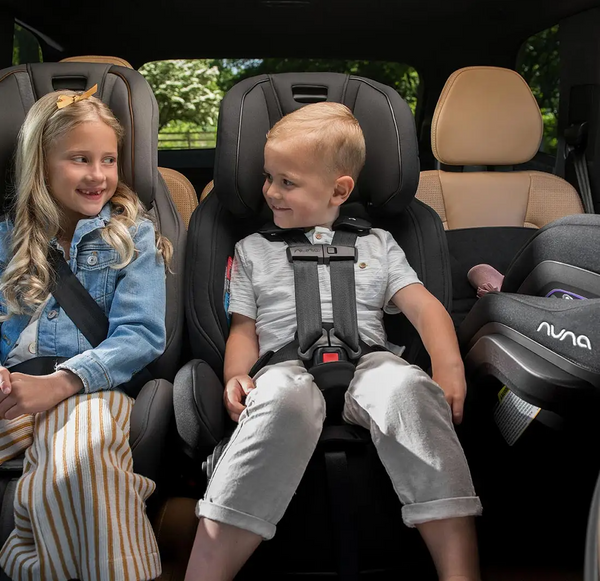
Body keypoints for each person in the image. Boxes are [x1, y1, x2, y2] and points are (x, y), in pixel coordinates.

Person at [185, 102, 482, 581]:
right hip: (283, 366)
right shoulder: (251, 250)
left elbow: (425, 308)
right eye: (268, 177)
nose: (270, 192)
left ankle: (460, 571)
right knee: (279, 399)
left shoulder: (379, 244)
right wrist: (236, 375)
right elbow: (244, 326)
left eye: (287, 182)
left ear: (340, 189)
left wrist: (448, 371)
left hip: (371, 363)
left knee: (409, 391)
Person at [0, 86, 171, 581]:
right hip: (15, 393)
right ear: (41, 164)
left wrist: (62, 382)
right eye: (80, 159)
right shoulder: (7, 237)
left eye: (109, 160)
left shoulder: (130, 232)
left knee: (81, 450)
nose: (98, 175)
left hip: (94, 390)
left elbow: (140, 333)